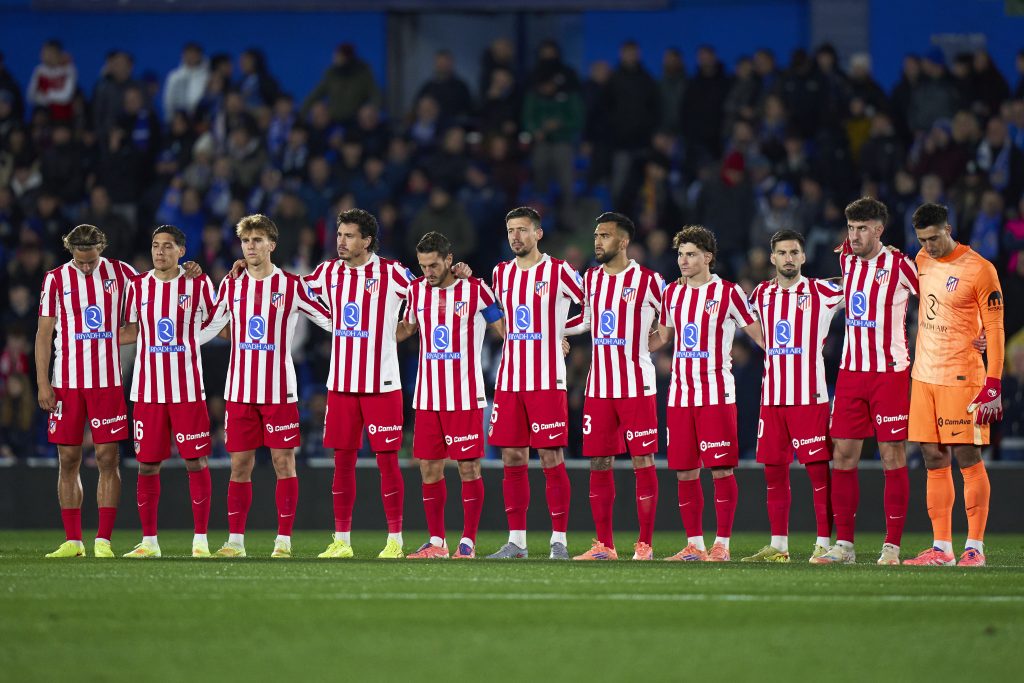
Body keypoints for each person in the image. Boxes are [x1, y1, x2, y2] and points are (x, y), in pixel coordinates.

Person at [200, 214, 332, 559]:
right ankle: (235, 542)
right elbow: (208, 325)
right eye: (246, 241)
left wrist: (365, 326)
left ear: (272, 244)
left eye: (258, 240)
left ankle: (283, 542)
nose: (251, 246)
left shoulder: (291, 285)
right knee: (239, 465)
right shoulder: (231, 284)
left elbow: (329, 319)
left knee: (283, 463)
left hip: (279, 391)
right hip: (240, 391)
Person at [813, 198, 919, 565]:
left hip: (889, 373)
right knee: (842, 455)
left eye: (862, 228)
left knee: (892, 454)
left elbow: (936, 299)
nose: (854, 235)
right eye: (850, 227)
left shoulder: (902, 266)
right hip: (850, 374)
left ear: (879, 230)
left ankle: (891, 546)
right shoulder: (846, 258)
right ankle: (845, 546)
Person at [302, 209, 413, 559]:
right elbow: (290, 290)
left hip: (382, 384)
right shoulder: (328, 272)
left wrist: (405, 329)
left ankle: (395, 539)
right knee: (342, 462)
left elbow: (426, 292)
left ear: (366, 240)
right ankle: (342, 540)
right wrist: (251, 269)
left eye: (349, 236)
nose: (341, 241)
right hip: (342, 385)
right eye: (339, 235)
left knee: (387, 462)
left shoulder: (392, 272)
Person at [652, 226, 764, 562]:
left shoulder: (728, 293)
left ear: (708, 257)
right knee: (685, 471)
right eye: (680, 254)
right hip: (680, 397)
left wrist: (790, 352)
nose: (683, 260)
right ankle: (695, 545)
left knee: (721, 470)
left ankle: (722, 545)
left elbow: (759, 334)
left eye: (690, 254)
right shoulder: (671, 293)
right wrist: (629, 348)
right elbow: (662, 337)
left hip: (716, 394)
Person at [904, 203, 1004, 566]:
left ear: (948, 228)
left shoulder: (980, 269)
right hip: (924, 376)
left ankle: (975, 547)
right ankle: (941, 548)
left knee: (967, 457)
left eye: (933, 238)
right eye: (922, 240)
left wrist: (993, 381)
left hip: (962, 378)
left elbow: (994, 328)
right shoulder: (921, 260)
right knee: (933, 458)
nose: (928, 246)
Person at [564, 212, 665, 561]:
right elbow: (586, 320)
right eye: (596, 235)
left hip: (637, 386)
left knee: (642, 459)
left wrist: (644, 348)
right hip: (599, 389)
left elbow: (669, 323)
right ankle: (604, 545)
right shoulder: (591, 278)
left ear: (622, 242)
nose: (597, 241)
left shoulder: (649, 280)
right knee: (599, 462)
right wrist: (556, 332)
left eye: (604, 236)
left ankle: (645, 545)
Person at [484, 207, 583, 560]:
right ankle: (518, 542)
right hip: (510, 379)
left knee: (550, 456)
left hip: (546, 380)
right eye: (511, 230)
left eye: (523, 230)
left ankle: (559, 539)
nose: (515, 236)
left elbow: (591, 305)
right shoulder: (501, 273)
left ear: (538, 234)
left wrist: (563, 332)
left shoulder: (560, 271)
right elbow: (500, 317)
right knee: (512, 455)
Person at [741, 229, 843, 563]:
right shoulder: (761, 294)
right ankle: (779, 546)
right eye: (782, 253)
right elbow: (747, 324)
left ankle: (824, 542)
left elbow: (861, 282)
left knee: (818, 473)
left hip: (809, 397)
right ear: (772, 258)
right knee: (774, 473)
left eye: (794, 252)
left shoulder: (822, 290)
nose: (788, 258)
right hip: (772, 399)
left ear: (803, 256)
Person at [400, 232, 503, 559]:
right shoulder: (415, 291)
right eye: (423, 265)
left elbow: (505, 331)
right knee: (428, 469)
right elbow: (407, 328)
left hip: (465, 397)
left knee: (468, 469)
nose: (427, 271)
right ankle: (437, 542)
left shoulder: (475, 291)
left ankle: (468, 543)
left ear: (448, 260)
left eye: (433, 265)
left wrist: (546, 344)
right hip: (427, 397)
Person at [37, 225, 138, 558]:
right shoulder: (54, 279)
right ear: (70, 252)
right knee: (68, 459)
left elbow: (146, 312)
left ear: (101, 249)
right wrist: (42, 382)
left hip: (106, 382)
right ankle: (73, 541)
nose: (85, 267)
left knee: (108, 458)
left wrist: (188, 270)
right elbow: (43, 334)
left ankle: (104, 540)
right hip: (65, 383)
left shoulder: (122, 273)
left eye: (91, 261)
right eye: (79, 261)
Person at [119, 225, 216, 559]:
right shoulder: (137, 286)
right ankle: (149, 542)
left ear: (182, 251)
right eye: (155, 245)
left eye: (167, 246)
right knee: (147, 466)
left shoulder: (198, 283)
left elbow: (218, 323)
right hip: (147, 392)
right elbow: (131, 330)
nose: (159, 252)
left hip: (187, 390)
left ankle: (200, 540)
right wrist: (94, 336)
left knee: (195, 461)